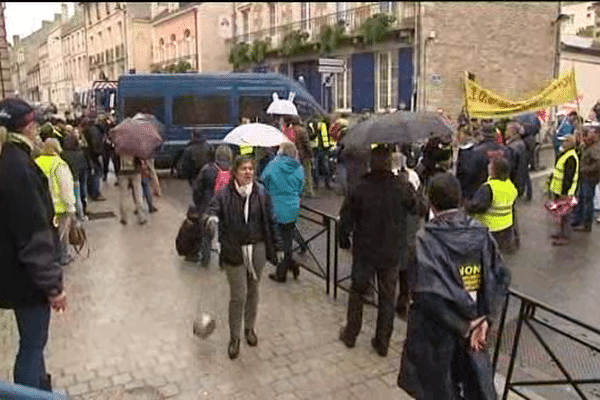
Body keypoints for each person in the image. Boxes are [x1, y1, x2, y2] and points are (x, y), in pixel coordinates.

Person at [398, 173, 510, 400]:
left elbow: (425, 295)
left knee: (436, 389)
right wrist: (485, 319)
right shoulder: (481, 233)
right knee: (473, 386)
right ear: (460, 199)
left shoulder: (424, 241)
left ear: (430, 201)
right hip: (474, 334)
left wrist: (466, 326)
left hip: (436, 336)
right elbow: (502, 277)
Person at [0, 98, 67, 391]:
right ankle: (30, 392)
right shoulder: (18, 167)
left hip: (15, 273)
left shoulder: (9, 159)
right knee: (32, 345)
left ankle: (38, 387)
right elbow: (33, 235)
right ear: (27, 127)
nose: (38, 129)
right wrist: (53, 287)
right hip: (27, 281)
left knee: (32, 344)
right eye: (35, 124)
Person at [338, 145, 423, 357]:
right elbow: (418, 208)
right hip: (391, 250)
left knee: (357, 292)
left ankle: (351, 333)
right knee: (387, 297)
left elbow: (346, 218)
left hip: (365, 249)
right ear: (390, 163)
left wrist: (343, 240)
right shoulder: (401, 186)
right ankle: (382, 341)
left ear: (370, 163)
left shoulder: (360, 186)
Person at [204, 155, 280, 360]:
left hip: (257, 248)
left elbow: (271, 220)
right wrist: (211, 219)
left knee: (253, 289)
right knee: (238, 295)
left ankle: (250, 329)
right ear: (235, 172)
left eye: (251, 169)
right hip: (234, 250)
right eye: (243, 169)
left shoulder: (261, 193)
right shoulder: (223, 194)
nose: (248, 172)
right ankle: (234, 337)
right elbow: (212, 210)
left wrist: (277, 245)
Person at [261, 142, 305, 283]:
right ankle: (291, 264)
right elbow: (301, 187)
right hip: (293, 206)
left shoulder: (274, 164)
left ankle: (282, 273)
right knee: (287, 239)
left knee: (279, 242)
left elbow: (264, 179)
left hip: (276, 206)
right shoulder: (299, 167)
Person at [35, 138, 77, 266]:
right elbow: (66, 187)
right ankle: (63, 256)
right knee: (62, 235)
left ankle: (48, 257)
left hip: (41, 205)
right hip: (59, 207)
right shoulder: (59, 164)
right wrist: (71, 207)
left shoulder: (36, 162)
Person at [466, 158, 519, 254]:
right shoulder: (511, 186)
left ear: (495, 171)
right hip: (505, 227)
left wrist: (465, 205)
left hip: (489, 228)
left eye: (491, 165)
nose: (489, 166)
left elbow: (477, 207)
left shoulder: (489, 188)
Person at [191, 144, 233, 265]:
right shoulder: (233, 170)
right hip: (226, 207)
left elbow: (197, 189)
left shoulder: (208, 169)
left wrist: (199, 204)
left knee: (206, 235)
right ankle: (223, 263)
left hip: (208, 206)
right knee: (225, 236)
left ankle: (205, 261)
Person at [571, 124, 600, 232]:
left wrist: (585, 169)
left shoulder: (595, 148)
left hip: (590, 177)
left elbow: (598, 164)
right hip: (585, 177)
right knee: (581, 198)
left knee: (587, 200)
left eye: (588, 134)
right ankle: (579, 220)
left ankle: (587, 224)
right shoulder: (588, 145)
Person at [61, 133, 90, 221]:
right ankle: (81, 214)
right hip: (80, 175)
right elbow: (85, 164)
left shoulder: (63, 154)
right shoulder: (80, 152)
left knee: (74, 198)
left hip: (68, 178)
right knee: (80, 196)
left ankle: (74, 216)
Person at [116, 153, 147, 225]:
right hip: (135, 170)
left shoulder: (120, 143)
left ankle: (124, 218)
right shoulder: (135, 143)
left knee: (123, 195)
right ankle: (141, 217)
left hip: (123, 171)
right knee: (138, 194)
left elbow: (116, 155)